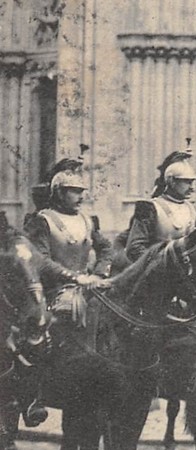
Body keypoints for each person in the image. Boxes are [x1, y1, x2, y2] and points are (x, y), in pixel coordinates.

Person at [22, 160, 112, 425]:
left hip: (86, 286)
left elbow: (106, 249)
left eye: (82, 190)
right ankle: (34, 396)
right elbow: (41, 260)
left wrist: (98, 274)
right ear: (59, 192)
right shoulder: (42, 221)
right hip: (52, 288)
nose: (81, 195)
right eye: (74, 190)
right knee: (41, 333)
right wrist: (75, 277)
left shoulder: (87, 220)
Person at [125, 149, 196, 262]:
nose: (192, 187)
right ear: (172, 182)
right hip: (157, 274)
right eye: (187, 182)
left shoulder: (193, 210)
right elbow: (135, 248)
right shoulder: (150, 208)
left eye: (192, 182)